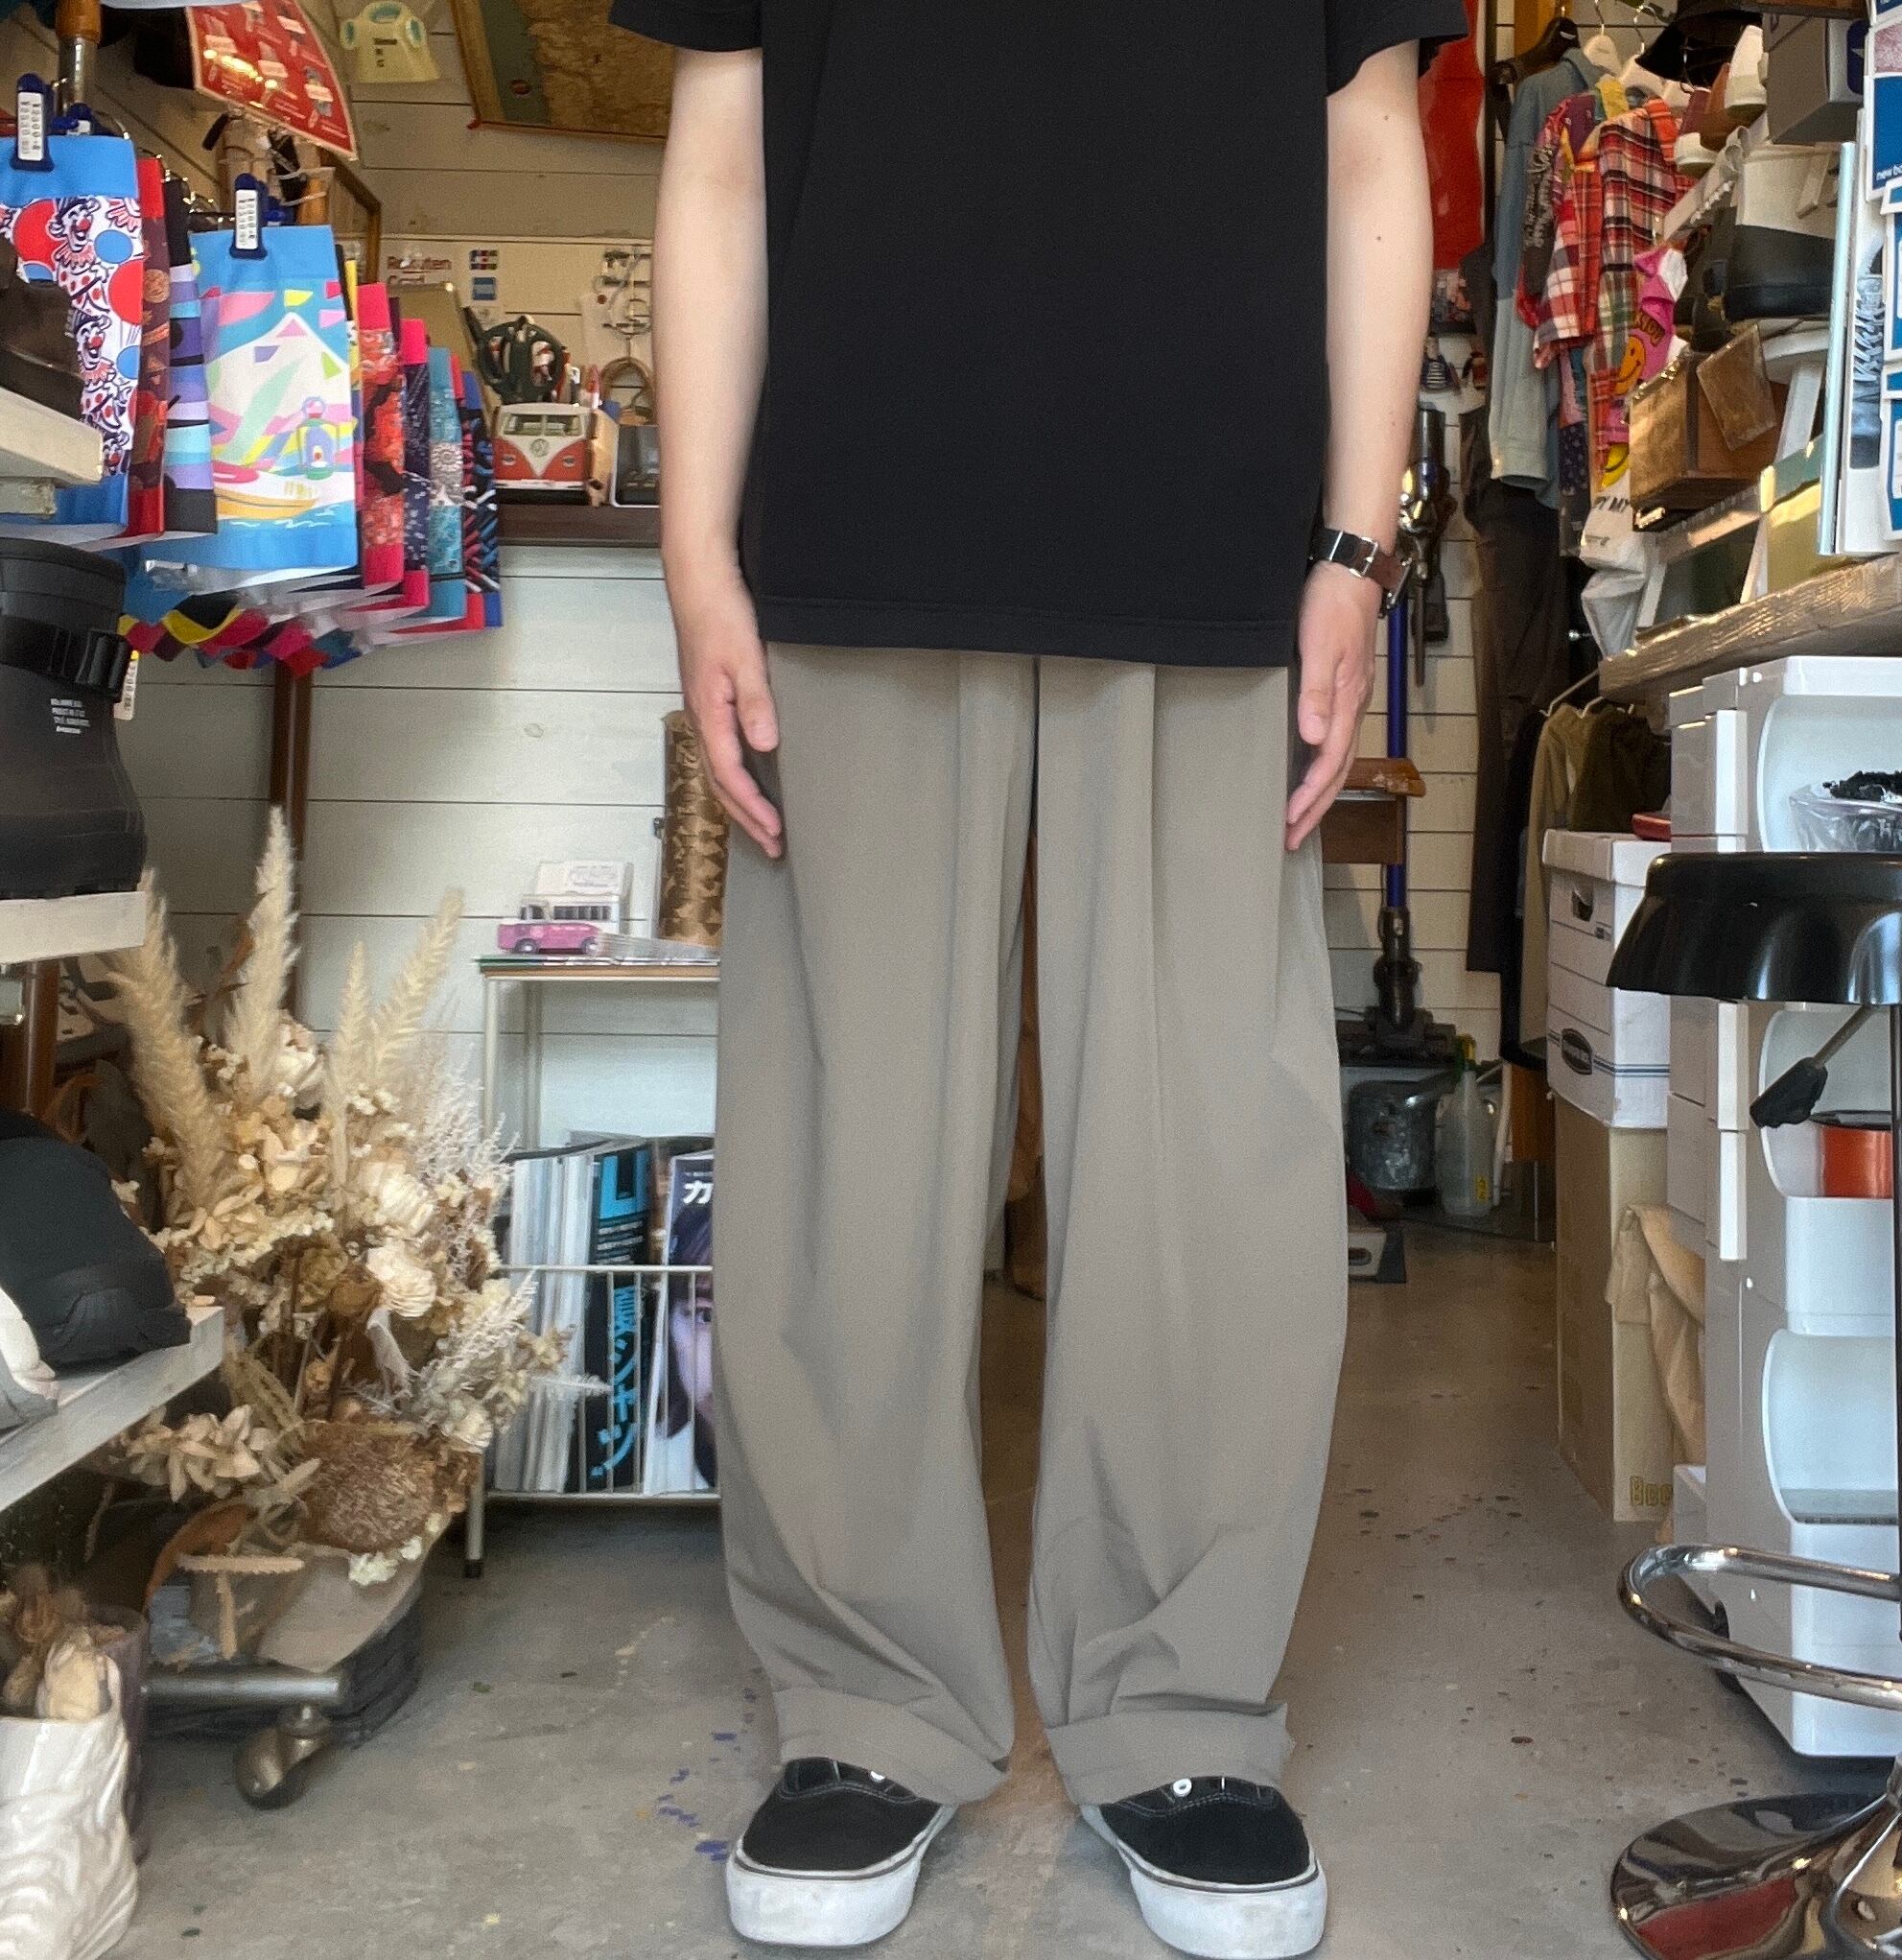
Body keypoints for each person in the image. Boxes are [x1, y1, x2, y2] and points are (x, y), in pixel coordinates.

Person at [608, 3, 1461, 1953]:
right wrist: (693, 552)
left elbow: (1368, 147)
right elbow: (721, 150)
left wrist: (1354, 545)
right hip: (855, 514)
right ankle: (860, 1700)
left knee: (1204, 1150)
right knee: (847, 1141)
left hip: (1206, 528)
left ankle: (1180, 1704)